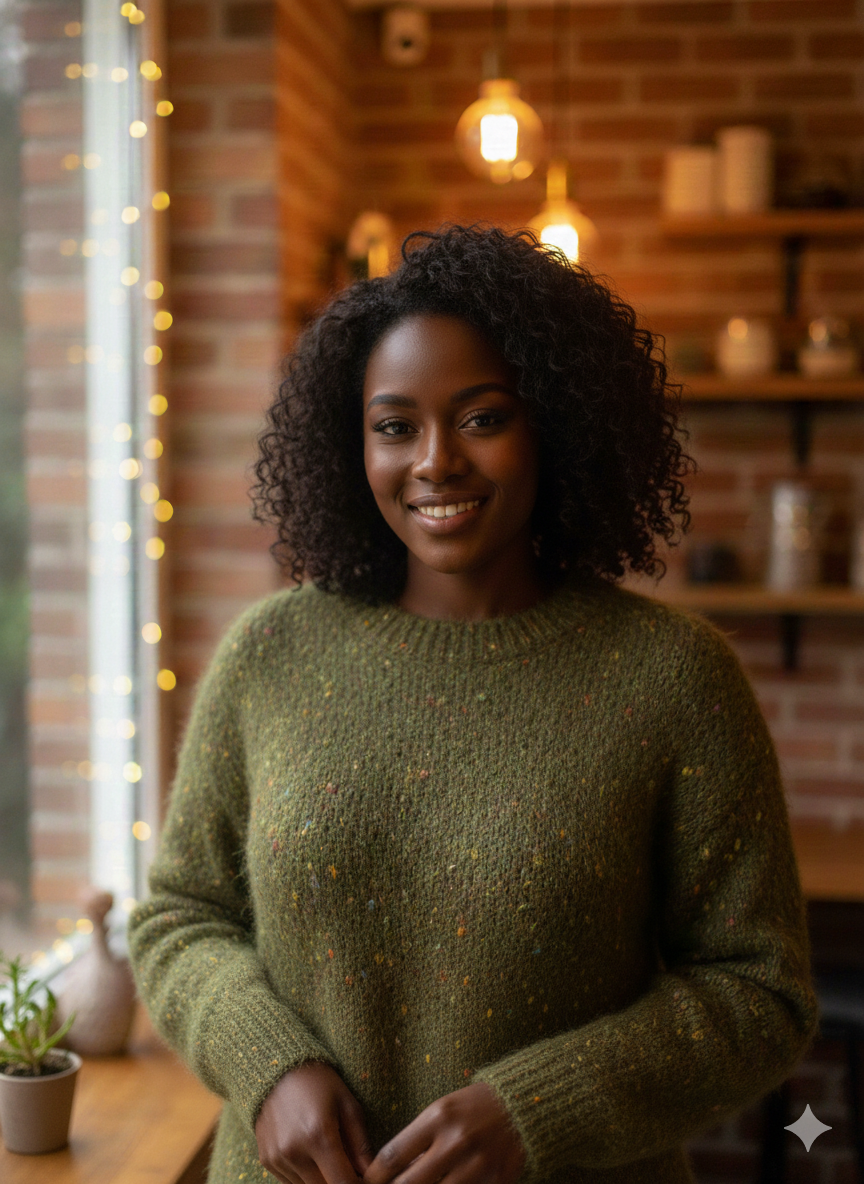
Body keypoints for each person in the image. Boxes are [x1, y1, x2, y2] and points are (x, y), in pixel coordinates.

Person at [128, 224, 819, 1184]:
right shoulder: (270, 655)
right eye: (395, 425)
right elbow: (178, 918)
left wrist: (538, 1111)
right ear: (353, 443)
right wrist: (268, 1063)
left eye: (484, 418)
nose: (435, 461)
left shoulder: (675, 679)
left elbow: (760, 994)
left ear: (559, 426)